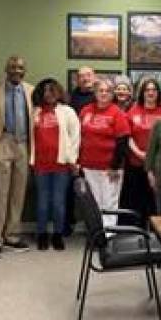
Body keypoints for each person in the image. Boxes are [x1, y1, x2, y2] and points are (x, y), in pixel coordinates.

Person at [0, 56, 34, 256]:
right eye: (12, 67)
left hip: (23, 144)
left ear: (25, 70)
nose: (16, 70)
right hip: (2, 141)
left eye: (20, 67)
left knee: (18, 193)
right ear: (6, 68)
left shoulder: (31, 90)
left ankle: (12, 235)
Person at [30, 78, 80, 251]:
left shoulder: (67, 112)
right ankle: (42, 234)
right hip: (40, 164)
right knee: (42, 202)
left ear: (58, 92)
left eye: (52, 90)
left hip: (61, 164)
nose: (48, 94)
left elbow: (75, 138)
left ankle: (58, 235)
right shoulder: (35, 112)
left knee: (58, 202)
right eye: (45, 91)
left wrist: (73, 161)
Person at [78, 78, 130, 227]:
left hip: (110, 168)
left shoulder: (117, 113)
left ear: (112, 94)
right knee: (93, 203)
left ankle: (109, 237)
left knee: (109, 204)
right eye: (100, 90)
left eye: (107, 91)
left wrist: (114, 166)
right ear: (95, 93)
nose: (104, 93)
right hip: (88, 165)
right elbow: (79, 137)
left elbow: (123, 142)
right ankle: (97, 235)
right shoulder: (85, 111)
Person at [119, 78, 161, 226]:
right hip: (136, 164)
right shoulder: (133, 111)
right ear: (142, 93)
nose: (151, 93)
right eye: (147, 90)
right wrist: (139, 153)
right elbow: (128, 136)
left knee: (155, 203)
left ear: (158, 93)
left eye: (154, 90)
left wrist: (154, 156)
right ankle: (136, 234)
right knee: (136, 202)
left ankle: (156, 235)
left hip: (158, 165)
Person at [65, 66, 96, 236]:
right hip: (74, 150)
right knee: (70, 189)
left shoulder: (100, 96)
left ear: (94, 76)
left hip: (93, 151)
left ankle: (93, 226)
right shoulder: (70, 98)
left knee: (94, 190)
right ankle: (68, 224)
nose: (85, 78)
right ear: (77, 79)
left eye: (88, 75)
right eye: (81, 76)